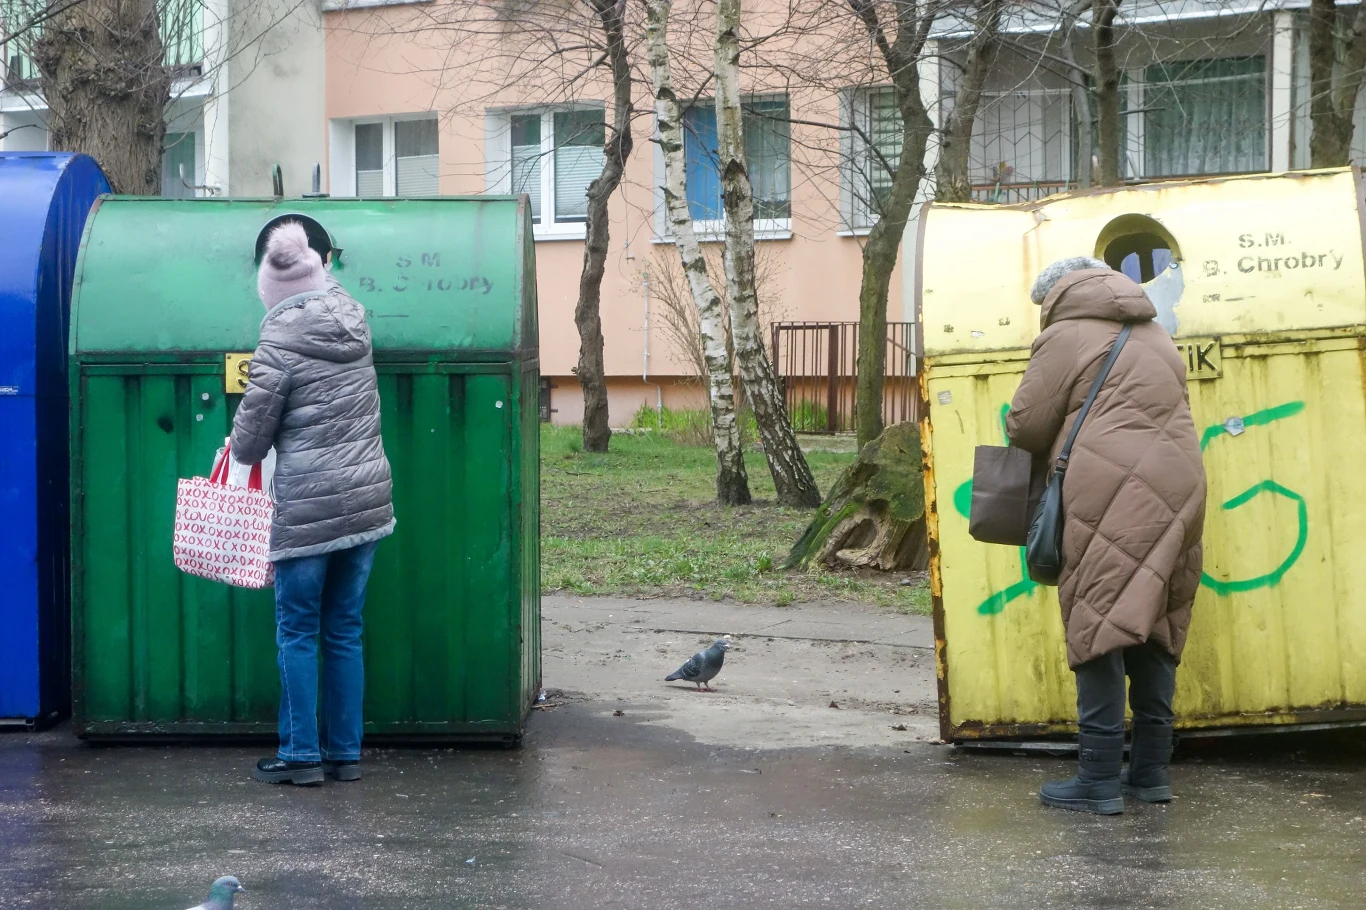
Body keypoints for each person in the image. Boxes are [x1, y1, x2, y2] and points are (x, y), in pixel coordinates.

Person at [1006, 257, 1206, 815]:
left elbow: (1025, 425)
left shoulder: (1066, 333)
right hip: (1183, 481)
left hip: (1109, 485)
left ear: (1055, 295)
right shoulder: (1156, 331)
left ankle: (1097, 779)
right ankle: (1150, 774)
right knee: (1158, 622)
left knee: (1100, 617)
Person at [232, 220, 395, 786]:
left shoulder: (277, 345)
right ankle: (344, 755)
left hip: (305, 510)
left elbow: (251, 443)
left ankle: (301, 754)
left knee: (298, 630)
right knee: (344, 629)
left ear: (271, 294)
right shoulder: (355, 320)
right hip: (368, 502)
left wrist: (237, 439)